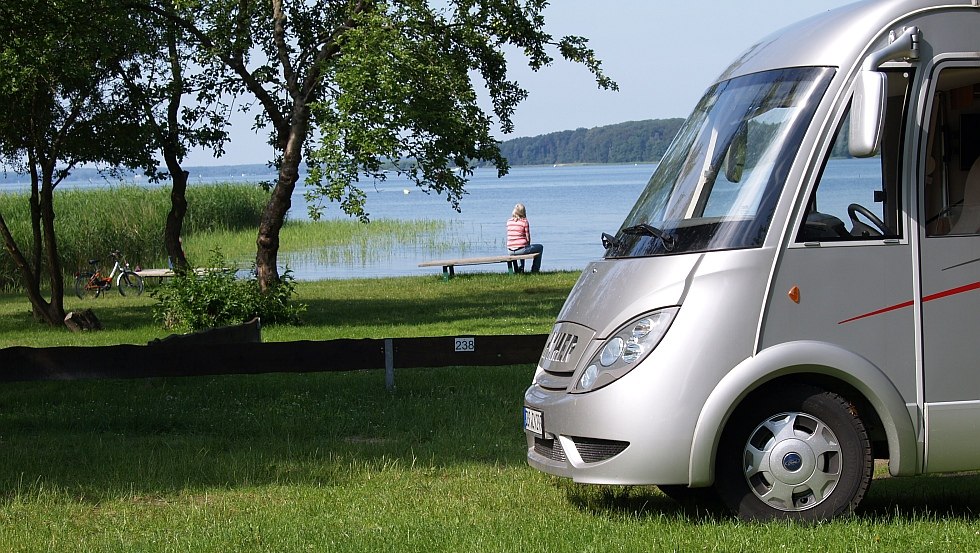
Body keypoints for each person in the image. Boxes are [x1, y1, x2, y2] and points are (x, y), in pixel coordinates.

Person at [506, 203, 543, 273]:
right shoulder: (524, 222)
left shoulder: (509, 221)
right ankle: (535, 270)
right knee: (540, 247)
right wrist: (528, 245)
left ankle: (520, 270)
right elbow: (528, 237)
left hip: (510, 250)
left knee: (522, 247)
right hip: (521, 250)